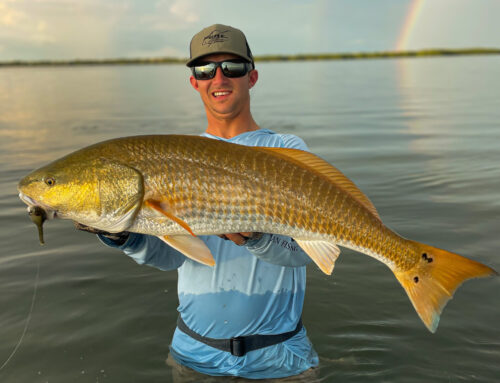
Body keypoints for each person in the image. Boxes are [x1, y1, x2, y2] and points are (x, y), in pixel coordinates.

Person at [82, 24, 319, 380]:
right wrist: (123, 236)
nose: (218, 78)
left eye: (232, 67)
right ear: (195, 82)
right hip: (194, 357)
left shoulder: (287, 152)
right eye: (205, 70)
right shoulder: (175, 157)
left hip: (280, 358)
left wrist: (257, 237)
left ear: (252, 77)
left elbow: (304, 252)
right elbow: (171, 255)